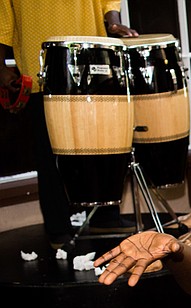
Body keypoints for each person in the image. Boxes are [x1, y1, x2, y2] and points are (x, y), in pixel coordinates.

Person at [0, 0, 138, 249]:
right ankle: (58, 227)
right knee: (49, 152)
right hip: (42, 65)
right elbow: (3, 16)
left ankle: (105, 216)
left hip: (93, 57)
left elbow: (108, 1)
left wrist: (114, 23)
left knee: (103, 144)